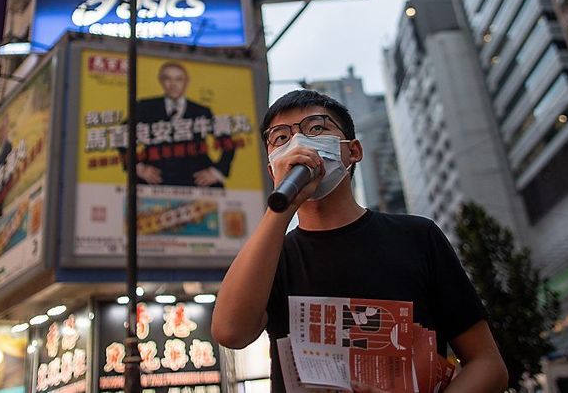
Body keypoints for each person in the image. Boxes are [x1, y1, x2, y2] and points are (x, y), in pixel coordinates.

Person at [211, 90, 508, 392]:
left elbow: (488, 365)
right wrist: (280, 211)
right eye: (281, 138)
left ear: (353, 151)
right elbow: (231, 332)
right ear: (272, 166)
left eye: (316, 128)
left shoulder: (418, 237)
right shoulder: (272, 257)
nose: (298, 145)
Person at [133, 61, 235, 187]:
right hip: (155, 179)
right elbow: (120, 135)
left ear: (186, 82)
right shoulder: (146, 107)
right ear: (161, 81)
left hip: (195, 179)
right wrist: (138, 167)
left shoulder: (201, 111)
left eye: (179, 79)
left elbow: (228, 142)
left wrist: (217, 171)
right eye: (168, 79)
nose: (173, 85)